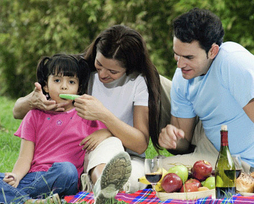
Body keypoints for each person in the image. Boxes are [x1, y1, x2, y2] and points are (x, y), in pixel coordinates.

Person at [12, 25, 168, 194]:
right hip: (88, 154)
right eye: (99, 64)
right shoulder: (80, 72)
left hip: (127, 155)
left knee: (124, 162)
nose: (102, 74)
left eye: (112, 71)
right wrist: (32, 100)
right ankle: (103, 186)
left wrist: (104, 118)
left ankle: (106, 188)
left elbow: (139, 145)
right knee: (105, 151)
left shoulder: (138, 82)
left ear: (129, 68)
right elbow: (17, 111)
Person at [154, 8, 254, 172]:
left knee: (157, 170)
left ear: (213, 51)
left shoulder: (235, 63)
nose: (179, 64)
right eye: (177, 55)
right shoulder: (182, 76)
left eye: (189, 57)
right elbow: (184, 142)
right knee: (150, 79)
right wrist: (173, 138)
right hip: (210, 138)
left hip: (240, 158)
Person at [0, 54, 121, 204]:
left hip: (64, 179)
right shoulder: (33, 115)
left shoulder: (86, 116)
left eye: (71, 82)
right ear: (45, 86)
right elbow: (25, 157)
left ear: (78, 88)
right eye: (57, 80)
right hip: (34, 176)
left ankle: (15, 197)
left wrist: (105, 132)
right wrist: (16, 176)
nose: (64, 86)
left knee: (67, 170)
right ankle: (30, 201)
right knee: (4, 178)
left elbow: (116, 132)